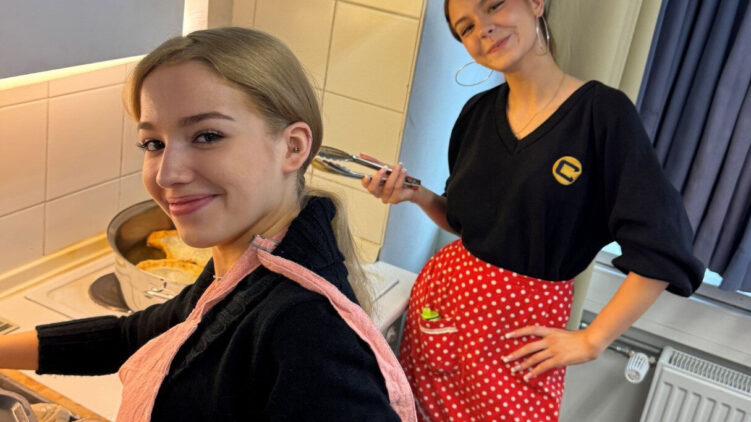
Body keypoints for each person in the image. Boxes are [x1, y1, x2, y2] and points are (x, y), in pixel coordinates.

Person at [0, 27, 416, 422]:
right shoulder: (248, 270)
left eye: (207, 136)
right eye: (154, 143)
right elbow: (132, 336)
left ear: (293, 147)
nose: (167, 174)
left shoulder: (307, 329)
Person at [361, 0, 705, 421]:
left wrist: (592, 340)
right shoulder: (476, 114)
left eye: (494, 5)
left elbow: (664, 246)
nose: (483, 29)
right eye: (466, 28)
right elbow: (468, 224)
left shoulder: (602, 114)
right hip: (441, 312)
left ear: (536, 3)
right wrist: (416, 194)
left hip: (522, 340)